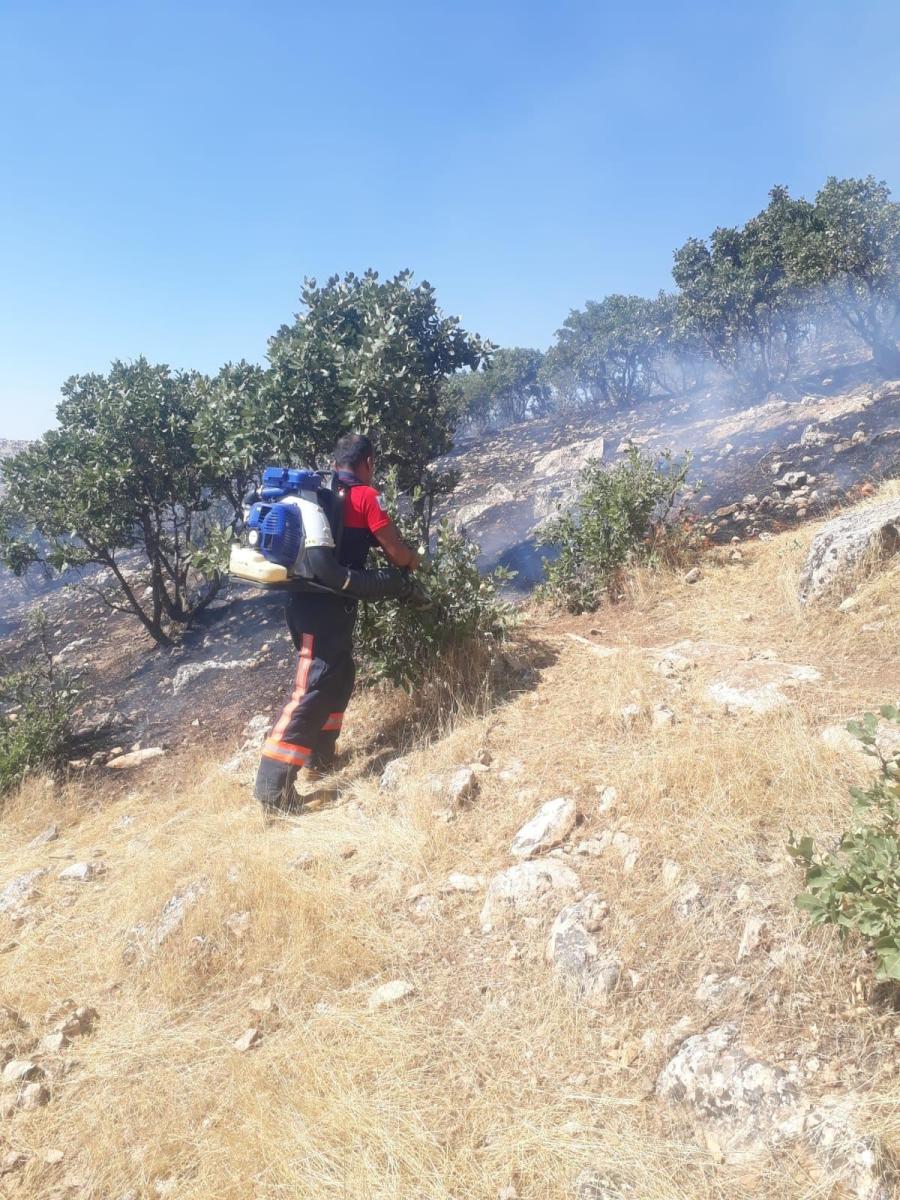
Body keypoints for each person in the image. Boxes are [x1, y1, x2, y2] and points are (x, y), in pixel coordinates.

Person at [253, 433, 420, 816]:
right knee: (312, 689)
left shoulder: (326, 498)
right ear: (369, 463)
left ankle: (320, 758)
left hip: (311, 606)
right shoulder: (364, 497)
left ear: (334, 465)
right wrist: (412, 564)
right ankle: (272, 788)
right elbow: (394, 549)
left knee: (339, 676)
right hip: (324, 610)